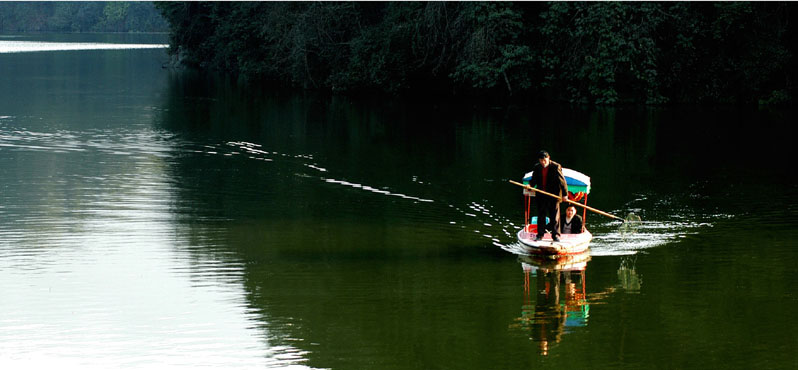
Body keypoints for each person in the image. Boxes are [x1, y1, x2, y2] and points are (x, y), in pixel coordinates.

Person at [529, 150, 568, 242]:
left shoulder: (556, 166)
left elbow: (562, 181)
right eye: (541, 160)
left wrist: (565, 194)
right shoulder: (537, 167)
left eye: (544, 160)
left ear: (548, 158)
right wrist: (530, 186)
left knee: (554, 216)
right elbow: (534, 179)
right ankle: (540, 235)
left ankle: (556, 235)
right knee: (541, 215)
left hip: (553, 195)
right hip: (541, 195)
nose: (543, 162)